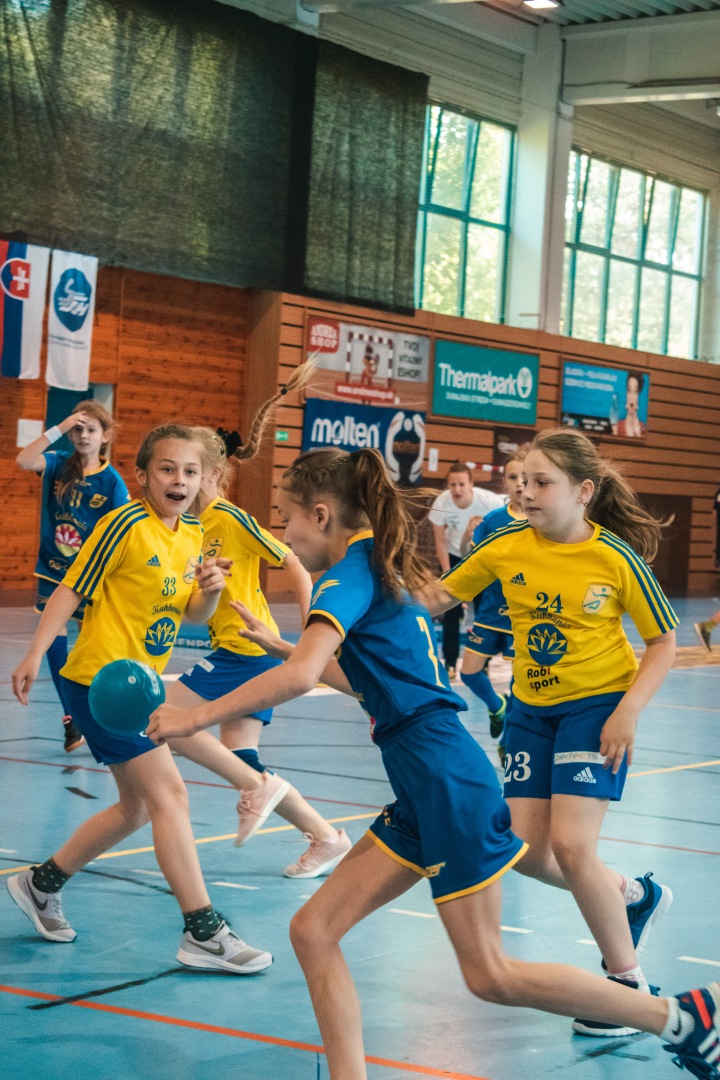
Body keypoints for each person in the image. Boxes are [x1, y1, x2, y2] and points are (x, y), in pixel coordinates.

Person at [145, 446, 719, 1080]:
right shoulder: (377, 566)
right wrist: (286, 647)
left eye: (286, 518)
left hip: (446, 781)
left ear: (320, 514)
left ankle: (680, 1018)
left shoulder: (346, 577)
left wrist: (194, 716)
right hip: (427, 785)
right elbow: (367, 683)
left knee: (491, 975)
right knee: (313, 930)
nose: (284, 534)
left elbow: (303, 676)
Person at [432, 427, 677, 1037]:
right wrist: (361, 596)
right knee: (523, 850)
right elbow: (437, 596)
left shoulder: (614, 558)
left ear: (583, 491)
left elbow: (663, 642)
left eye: (542, 482)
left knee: (571, 846)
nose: (526, 492)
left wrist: (628, 712)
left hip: (596, 709)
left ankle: (627, 983)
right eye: (522, 481)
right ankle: (632, 895)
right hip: (530, 711)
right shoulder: (504, 545)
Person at [8, 423, 271, 974]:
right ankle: (202, 930)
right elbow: (70, 589)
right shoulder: (124, 524)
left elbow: (192, 615)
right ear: (144, 475)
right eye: (168, 469)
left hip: (141, 686)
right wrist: (35, 653)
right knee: (170, 796)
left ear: (203, 479)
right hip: (101, 685)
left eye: (190, 471)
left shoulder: (194, 532)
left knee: (136, 808)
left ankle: (41, 883)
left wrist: (209, 593)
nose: (180, 480)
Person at [166, 420, 350, 877]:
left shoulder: (230, 518)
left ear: (212, 473)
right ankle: (326, 837)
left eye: (191, 470)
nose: (181, 480)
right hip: (237, 649)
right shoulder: (188, 526)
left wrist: (311, 623)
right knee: (242, 762)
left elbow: (293, 561)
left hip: (246, 649)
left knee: (162, 718)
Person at [16, 402, 130, 752]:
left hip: (89, 575)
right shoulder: (58, 464)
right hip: (53, 569)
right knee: (52, 638)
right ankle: (71, 718)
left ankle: (97, 714)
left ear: (105, 436)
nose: (83, 435)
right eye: (78, 429)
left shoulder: (112, 482)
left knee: (90, 645)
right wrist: (61, 426)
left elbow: (123, 533)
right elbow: (24, 460)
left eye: (90, 429)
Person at [458, 454, 527, 756]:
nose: (520, 483)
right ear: (505, 483)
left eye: (525, 477)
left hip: (522, 616)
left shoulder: (543, 522)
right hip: (488, 613)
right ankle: (496, 706)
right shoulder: (494, 520)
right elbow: (468, 558)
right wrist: (466, 538)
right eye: (513, 477)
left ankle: (506, 742)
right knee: (468, 673)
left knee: (519, 685)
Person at [428, 463, 504, 680]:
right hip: (454, 556)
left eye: (462, 484)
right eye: (453, 485)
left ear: (471, 484)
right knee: (450, 612)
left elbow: (503, 526)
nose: (457, 489)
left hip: (481, 558)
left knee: (484, 612)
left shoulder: (490, 502)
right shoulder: (441, 503)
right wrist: (447, 572)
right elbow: (440, 540)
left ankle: (483, 664)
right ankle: (450, 663)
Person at [616, 371, 646, 438]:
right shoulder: (617, 427)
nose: (631, 397)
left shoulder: (643, 429)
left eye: (635, 391)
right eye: (629, 390)